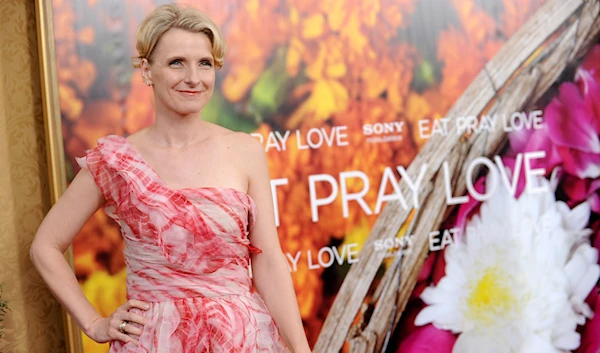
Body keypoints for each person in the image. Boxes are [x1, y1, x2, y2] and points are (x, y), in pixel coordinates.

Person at [30, 4, 311, 353]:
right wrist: (95, 324)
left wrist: (301, 349)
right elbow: (45, 246)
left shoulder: (245, 150)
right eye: (177, 62)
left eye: (204, 63)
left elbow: (268, 260)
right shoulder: (118, 162)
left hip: (243, 339)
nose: (193, 77)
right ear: (147, 71)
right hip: (155, 341)